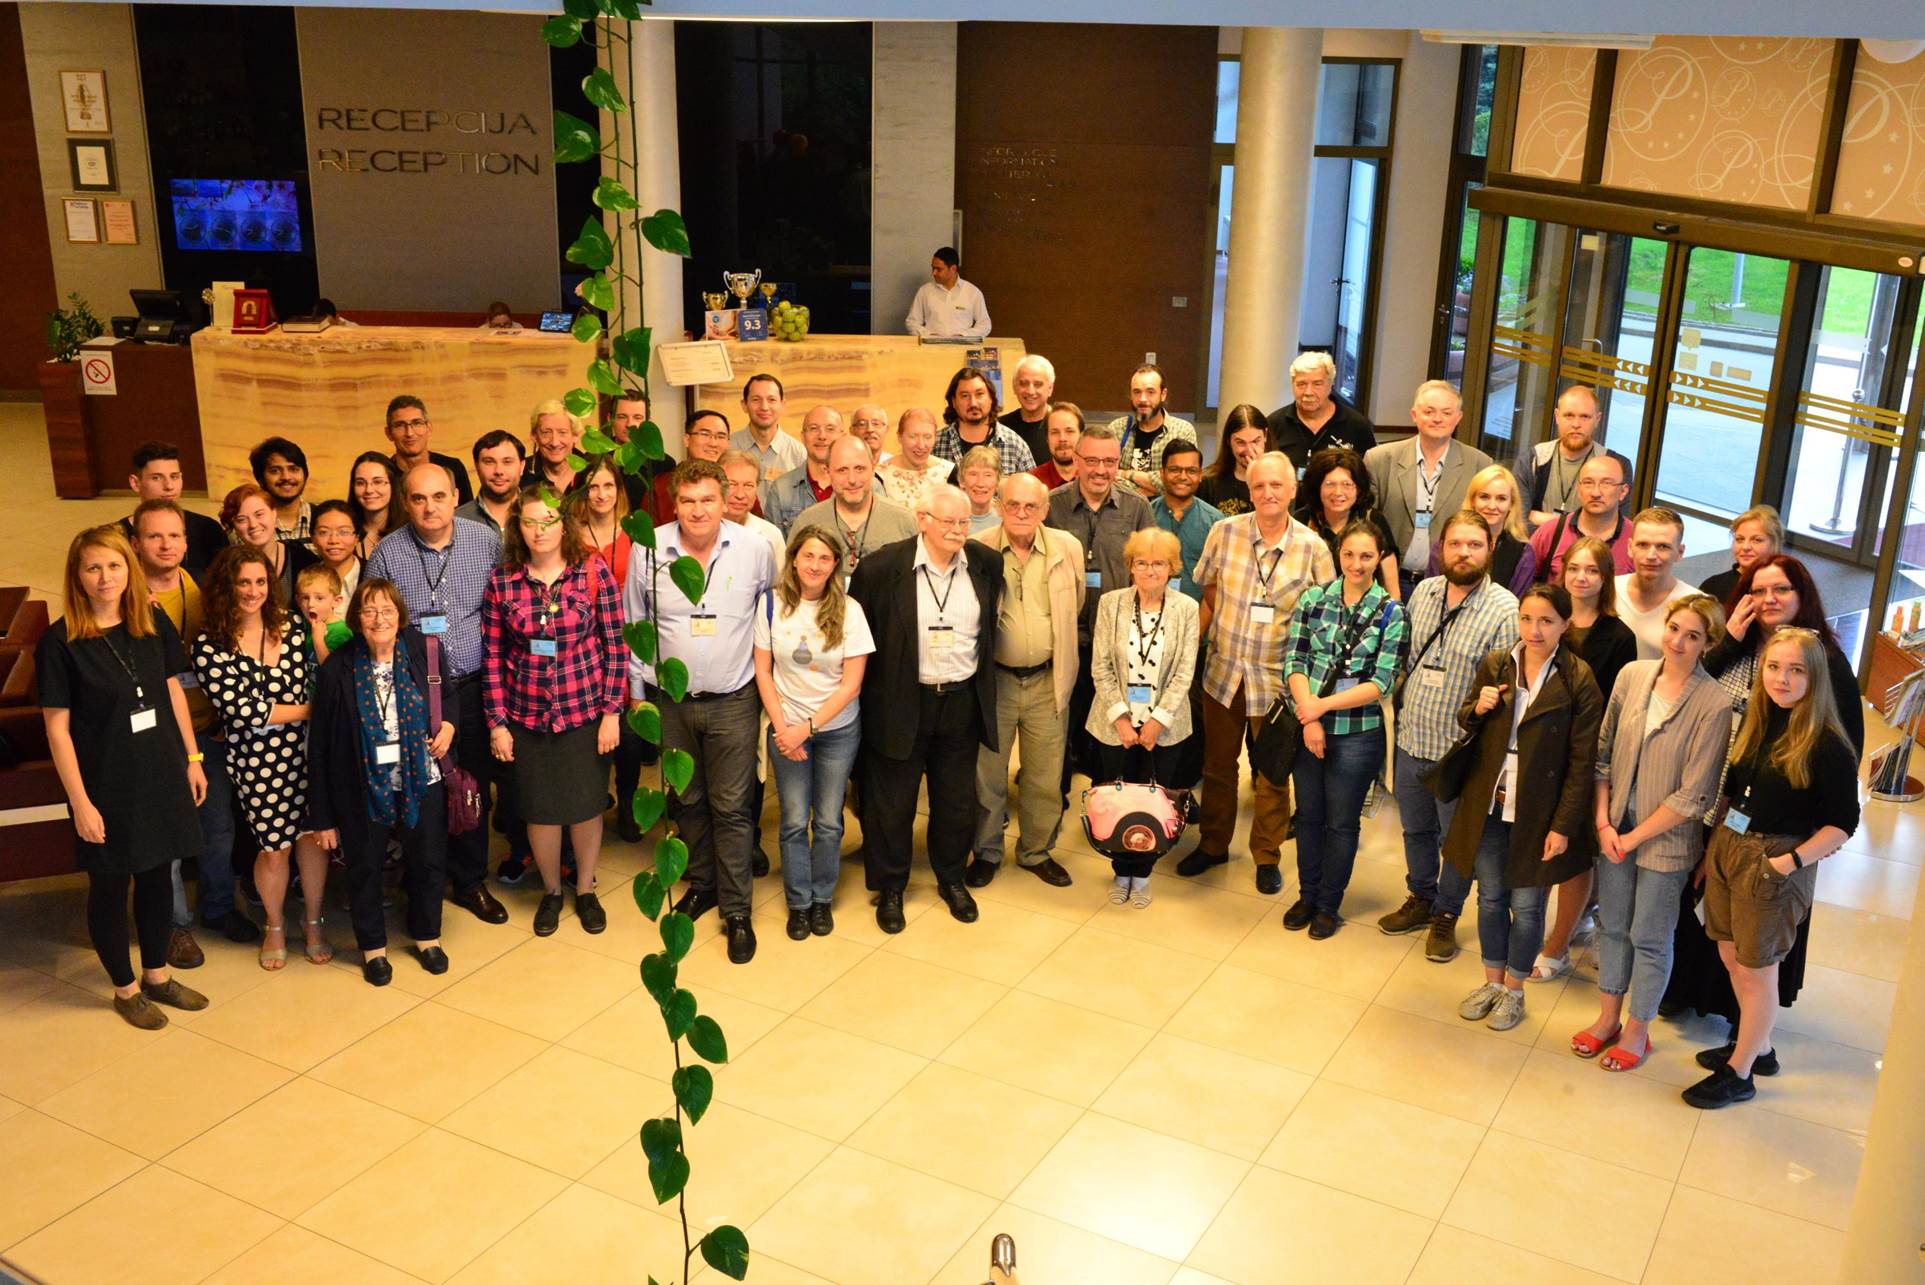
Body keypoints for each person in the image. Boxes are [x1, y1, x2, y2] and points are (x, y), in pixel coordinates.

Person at [1664, 553, 1862, 1029]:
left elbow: (1845, 747)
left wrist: (1812, 842)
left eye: (1781, 590)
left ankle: (1749, 1031)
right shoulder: (1741, 643)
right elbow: (1691, 685)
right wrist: (1729, 638)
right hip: (1726, 809)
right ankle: (1696, 995)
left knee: (1759, 943)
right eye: (1758, 590)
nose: (1769, 599)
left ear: (1803, 596)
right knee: (1711, 912)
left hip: (1784, 830)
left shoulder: (1825, 660)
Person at [37, 526, 209, 1028]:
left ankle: (157, 975)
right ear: (77, 576)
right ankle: (126, 988)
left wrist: (192, 759)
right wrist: (81, 804)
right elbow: (57, 729)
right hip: (103, 785)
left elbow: (172, 690)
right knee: (110, 887)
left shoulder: (150, 619)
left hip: (158, 772)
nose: (105, 576)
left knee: (157, 875)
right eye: (93, 567)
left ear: (128, 570)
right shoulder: (61, 641)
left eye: (113, 565)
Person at [1684, 627, 1859, 1109]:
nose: (1781, 678)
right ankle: (1757, 1048)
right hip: (1729, 848)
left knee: (1757, 969)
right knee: (1728, 953)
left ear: (1814, 677)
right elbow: (1734, 790)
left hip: (1775, 862)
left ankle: (1739, 1074)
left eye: (1795, 670)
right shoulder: (1760, 722)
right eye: (1774, 667)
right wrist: (1712, 851)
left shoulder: (1827, 744)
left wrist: (1788, 863)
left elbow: (1844, 823)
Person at [625, 459, 776, 962]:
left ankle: (737, 911)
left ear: (726, 497)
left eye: (707, 499)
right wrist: (637, 695)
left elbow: (769, 616)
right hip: (671, 702)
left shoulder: (754, 549)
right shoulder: (648, 549)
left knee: (732, 808)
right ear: (673, 502)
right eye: (687, 501)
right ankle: (704, 883)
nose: (697, 510)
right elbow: (636, 624)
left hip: (734, 699)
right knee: (687, 799)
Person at [1575, 595, 1731, 1070]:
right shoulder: (1632, 677)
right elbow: (1601, 755)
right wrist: (1603, 821)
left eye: (1693, 636)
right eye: (1674, 629)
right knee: (1613, 926)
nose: (1678, 642)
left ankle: (1638, 1030)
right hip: (1614, 829)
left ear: (1709, 643)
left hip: (1664, 841)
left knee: (1649, 936)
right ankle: (1607, 1020)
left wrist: (1634, 835)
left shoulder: (1714, 702)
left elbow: (1695, 794)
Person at [1445, 584, 1602, 1033]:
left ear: (1565, 625)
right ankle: (1492, 983)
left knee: (1529, 906)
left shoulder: (1577, 678)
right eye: (1527, 619)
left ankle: (1515, 989)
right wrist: (1478, 707)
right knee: (1491, 896)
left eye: (1547, 621)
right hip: (1491, 801)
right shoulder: (1498, 663)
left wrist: (1563, 825)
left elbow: (1581, 760)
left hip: (1539, 810)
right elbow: (1467, 719)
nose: (1534, 630)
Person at [850, 484, 1002, 933]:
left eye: (964, 522)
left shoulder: (985, 565)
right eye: (948, 521)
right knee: (891, 804)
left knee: (955, 803)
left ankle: (952, 878)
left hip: (960, 701)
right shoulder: (881, 568)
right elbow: (860, 639)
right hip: (900, 701)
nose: (958, 530)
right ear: (923, 520)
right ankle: (891, 887)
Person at [365, 462, 511, 925]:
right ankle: (423, 875)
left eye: (439, 497)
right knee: (420, 787)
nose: (429, 507)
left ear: (454, 497)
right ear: (405, 502)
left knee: (471, 785)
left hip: (470, 688)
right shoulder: (387, 554)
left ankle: (470, 880)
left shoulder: (485, 541)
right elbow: (371, 619)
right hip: (408, 696)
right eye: (418, 498)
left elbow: (504, 605)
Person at [1181, 453, 1333, 891]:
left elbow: (1322, 621)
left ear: (1292, 490)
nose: (1267, 493)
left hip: (1279, 683)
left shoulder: (1313, 548)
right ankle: (1212, 845)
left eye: (1276, 486)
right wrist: (1192, 645)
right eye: (1259, 486)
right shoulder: (1223, 533)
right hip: (1224, 673)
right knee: (1217, 767)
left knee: (1271, 775)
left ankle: (1266, 855)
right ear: (1249, 491)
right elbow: (1208, 589)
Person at [484, 487, 626, 938]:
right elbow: (492, 655)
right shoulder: (503, 581)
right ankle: (551, 891)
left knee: (585, 807)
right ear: (517, 529)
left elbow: (615, 645)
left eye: (548, 521)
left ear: (564, 524)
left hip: (585, 712)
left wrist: (611, 713)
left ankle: (584, 889)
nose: (539, 531)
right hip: (526, 716)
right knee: (540, 811)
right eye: (529, 522)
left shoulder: (591, 571)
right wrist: (498, 723)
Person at [1378, 510, 1519, 960]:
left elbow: (1506, 689)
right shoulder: (1423, 591)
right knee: (1414, 830)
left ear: (1490, 549)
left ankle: (1446, 914)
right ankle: (1420, 897)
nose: (1464, 552)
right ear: (1441, 548)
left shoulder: (1505, 610)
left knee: (1455, 841)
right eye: (1455, 543)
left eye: (1474, 545)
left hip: (1460, 752)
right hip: (1411, 738)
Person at [308, 579, 456, 985]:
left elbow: (450, 696)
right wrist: (322, 817)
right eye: (370, 611)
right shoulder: (338, 667)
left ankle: (428, 936)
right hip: (360, 786)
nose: (379, 619)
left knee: (427, 862)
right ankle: (373, 948)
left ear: (400, 615)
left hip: (421, 779)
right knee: (365, 868)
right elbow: (319, 745)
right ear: (357, 617)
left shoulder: (424, 651)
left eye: (387, 610)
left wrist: (449, 726)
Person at [193, 545, 332, 970]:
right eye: (243, 582)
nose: (253, 591)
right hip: (259, 761)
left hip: (311, 751)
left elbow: (322, 673)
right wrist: (314, 709)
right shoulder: (209, 645)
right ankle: (275, 924)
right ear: (226, 587)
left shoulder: (291, 623)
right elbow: (248, 713)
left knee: (312, 840)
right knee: (274, 848)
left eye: (260, 582)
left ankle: (312, 920)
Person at [131, 501, 255, 951]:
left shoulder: (205, 589)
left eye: (175, 536)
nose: (167, 545)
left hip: (209, 727)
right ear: (136, 543)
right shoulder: (126, 600)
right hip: (156, 736)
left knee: (218, 827)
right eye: (155, 537)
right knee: (165, 836)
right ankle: (172, 924)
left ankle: (218, 907)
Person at [1283, 521, 1408, 937]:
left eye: (1367, 556)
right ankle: (1307, 894)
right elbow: (1294, 662)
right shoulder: (1313, 600)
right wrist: (1311, 715)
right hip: (1309, 725)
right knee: (1308, 817)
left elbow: (1382, 681)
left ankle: (1328, 904)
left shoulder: (1391, 612)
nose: (1356, 563)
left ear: (1380, 558)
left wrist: (1320, 707)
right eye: (1349, 554)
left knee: (1341, 822)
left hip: (1358, 733)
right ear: (1339, 554)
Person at [1529, 535, 1641, 980]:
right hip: (1537, 752)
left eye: (1591, 570)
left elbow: (1613, 708)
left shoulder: (1619, 636)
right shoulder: (1547, 619)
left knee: (1573, 856)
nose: (1581, 577)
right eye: (1573, 568)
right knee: (1537, 847)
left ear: (1605, 577)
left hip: (1583, 755)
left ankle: (1556, 947)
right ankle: (1539, 930)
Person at [755, 525, 875, 939]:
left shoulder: (850, 610)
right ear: (794, 559)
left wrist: (806, 728)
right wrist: (785, 729)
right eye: (808, 556)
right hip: (785, 728)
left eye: (825, 558)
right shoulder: (770, 605)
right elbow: (763, 671)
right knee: (791, 820)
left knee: (827, 821)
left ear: (835, 566)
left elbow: (851, 684)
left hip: (836, 731)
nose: (815, 565)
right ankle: (798, 902)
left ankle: (822, 899)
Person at [967, 473, 1086, 890]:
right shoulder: (978, 549)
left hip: (1047, 682)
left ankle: (1036, 851)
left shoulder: (1066, 549)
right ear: (999, 505)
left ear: (1044, 510)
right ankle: (987, 852)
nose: (1021, 513)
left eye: (1030, 507)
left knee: (1044, 776)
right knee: (988, 776)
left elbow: (1077, 602)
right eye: (1013, 505)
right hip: (994, 683)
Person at [1085, 527, 1199, 907]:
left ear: (1172, 568)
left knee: (1154, 803)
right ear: (1130, 567)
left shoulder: (1187, 609)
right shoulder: (1111, 604)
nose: (1150, 570)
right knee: (1116, 801)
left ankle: (1144, 873)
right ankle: (1120, 869)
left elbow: (1185, 671)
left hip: (1163, 728)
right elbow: (1100, 665)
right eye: (1142, 563)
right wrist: (1120, 717)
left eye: (1159, 563)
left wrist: (1156, 721)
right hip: (1112, 723)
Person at [1047, 423, 1155, 796]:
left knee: (1113, 728)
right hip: (1065, 637)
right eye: (1091, 460)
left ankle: (1107, 799)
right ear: (1075, 461)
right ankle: (1054, 797)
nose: (1100, 470)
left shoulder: (1137, 508)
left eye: (1109, 461)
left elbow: (1151, 570)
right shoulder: (1052, 505)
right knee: (1060, 724)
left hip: (1116, 643)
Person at [1364, 381, 1493, 598]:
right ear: (1414, 415)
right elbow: (1366, 525)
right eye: (1429, 411)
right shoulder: (1379, 459)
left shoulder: (1479, 464)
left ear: (1458, 418)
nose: (1437, 419)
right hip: (1389, 581)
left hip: (1449, 584)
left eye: (1446, 412)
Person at [792, 437, 919, 582]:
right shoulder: (807, 522)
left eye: (859, 469)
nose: (852, 479)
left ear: (873, 467)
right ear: (828, 471)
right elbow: (791, 582)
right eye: (842, 470)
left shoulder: (904, 521)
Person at [1295, 446, 1400, 597]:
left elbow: (1392, 588)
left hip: (1365, 611)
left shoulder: (1373, 520)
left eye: (1347, 485)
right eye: (1330, 484)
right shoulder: (1302, 520)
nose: (1338, 492)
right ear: (1317, 487)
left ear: (1358, 488)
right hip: (1313, 610)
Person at [1525, 385, 1633, 528]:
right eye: (1569, 415)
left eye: (1585, 417)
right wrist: (1581, 526)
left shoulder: (1617, 466)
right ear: (1557, 416)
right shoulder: (1534, 458)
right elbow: (1517, 521)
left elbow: (1612, 528)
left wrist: (1541, 518)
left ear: (1597, 419)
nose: (1576, 424)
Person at [1425, 464, 1538, 597]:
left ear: (1511, 504)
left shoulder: (1523, 553)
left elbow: (1517, 606)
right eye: (1484, 497)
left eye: (1501, 498)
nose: (1491, 506)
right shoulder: (1445, 543)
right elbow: (1431, 594)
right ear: (1472, 500)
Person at [122, 441, 226, 577]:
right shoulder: (118, 535)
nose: (169, 486)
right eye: (156, 478)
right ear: (135, 483)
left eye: (174, 477)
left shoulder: (208, 529)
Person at [1526, 454, 1634, 580]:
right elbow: (1522, 586)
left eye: (1606, 483)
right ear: (1579, 488)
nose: (1595, 493)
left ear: (1623, 492)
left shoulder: (1636, 539)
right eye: (1588, 483)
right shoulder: (1551, 533)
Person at [1269, 351, 1378, 471]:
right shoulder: (1274, 424)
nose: (1308, 392)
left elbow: (1369, 476)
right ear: (1292, 385)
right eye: (1301, 384)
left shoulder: (1357, 425)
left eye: (1317, 384)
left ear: (1331, 384)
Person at [1106, 364, 1199, 499]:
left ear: (1163, 394)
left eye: (1150, 392)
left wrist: (1126, 474)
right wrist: (1151, 489)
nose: (1143, 399)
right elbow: (1106, 476)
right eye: (1137, 392)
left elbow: (1180, 482)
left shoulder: (1182, 431)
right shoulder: (1116, 429)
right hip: (1124, 514)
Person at [1615, 508, 1698, 658]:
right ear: (1629, 548)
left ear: (1680, 552)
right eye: (1643, 545)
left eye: (1663, 547)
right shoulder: (1607, 590)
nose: (1651, 555)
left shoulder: (1695, 605)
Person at [1151, 439, 1223, 605]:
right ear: (1162, 473)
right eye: (1175, 470)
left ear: (1199, 476)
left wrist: (1196, 630)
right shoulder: (1146, 516)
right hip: (1150, 618)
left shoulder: (1217, 523)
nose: (1183, 477)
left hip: (1200, 621)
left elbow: (1217, 585)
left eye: (1191, 471)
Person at [221, 483, 318, 601]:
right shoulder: (227, 568)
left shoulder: (303, 559)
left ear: (274, 513)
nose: (253, 524)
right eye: (242, 519)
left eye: (259, 514)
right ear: (234, 527)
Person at [933, 368, 1035, 474]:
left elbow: (1033, 489)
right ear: (953, 401)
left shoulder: (1015, 445)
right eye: (965, 396)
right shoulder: (935, 445)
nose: (973, 403)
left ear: (991, 397)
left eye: (979, 394)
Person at [764, 405, 845, 534]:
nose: (822, 436)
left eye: (830, 429)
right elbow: (774, 548)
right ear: (802, 436)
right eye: (814, 429)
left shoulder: (863, 486)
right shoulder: (781, 489)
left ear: (842, 436)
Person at [384, 395, 475, 506]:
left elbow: (468, 515)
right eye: (399, 425)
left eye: (417, 423)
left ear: (429, 427)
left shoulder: (453, 468)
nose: (409, 433)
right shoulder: (383, 476)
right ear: (389, 433)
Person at [653, 410, 734, 524]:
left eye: (721, 436)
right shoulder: (661, 486)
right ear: (687, 440)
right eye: (705, 434)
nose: (713, 443)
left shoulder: (739, 484)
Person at [1700, 504, 1783, 608]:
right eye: (1740, 539)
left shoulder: (1787, 587)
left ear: (1775, 544)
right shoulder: (1713, 586)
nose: (1746, 547)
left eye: (1757, 540)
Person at [571, 453, 633, 588]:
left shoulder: (634, 531)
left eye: (608, 486)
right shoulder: (569, 534)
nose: (602, 495)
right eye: (593, 487)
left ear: (618, 489)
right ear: (582, 492)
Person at [1197, 404, 1270, 517]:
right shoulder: (1209, 482)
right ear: (1228, 441)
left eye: (1255, 441)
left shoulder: (1278, 481)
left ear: (1265, 435)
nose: (1249, 450)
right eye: (1240, 442)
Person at [731, 373, 806, 483]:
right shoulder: (729, 447)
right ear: (744, 405)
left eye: (772, 400)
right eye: (756, 399)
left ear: (782, 404)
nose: (764, 407)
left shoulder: (798, 453)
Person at [721, 449, 788, 570]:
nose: (740, 494)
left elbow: (781, 586)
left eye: (748, 485)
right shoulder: (701, 531)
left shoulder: (771, 535)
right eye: (732, 484)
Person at [906, 245, 991, 339]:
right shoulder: (925, 291)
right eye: (933, 268)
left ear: (953, 269)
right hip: (931, 349)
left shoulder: (972, 292)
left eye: (939, 269)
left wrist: (964, 336)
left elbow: (985, 324)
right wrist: (929, 336)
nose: (934, 273)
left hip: (962, 349)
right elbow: (912, 322)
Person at [879, 407, 954, 511]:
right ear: (900, 437)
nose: (921, 445)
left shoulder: (949, 472)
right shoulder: (880, 475)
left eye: (927, 437)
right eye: (913, 436)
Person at [456, 429, 527, 536]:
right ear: (477, 467)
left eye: (507, 462)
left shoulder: (541, 516)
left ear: (522, 466)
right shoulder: (456, 521)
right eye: (489, 462)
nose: (499, 471)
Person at [249, 436, 314, 545]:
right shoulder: (250, 527)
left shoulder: (323, 518)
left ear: (305, 474)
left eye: (293, 469)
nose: (286, 477)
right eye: (275, 471)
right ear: (260, 479)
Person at [348, 453, 405, 560]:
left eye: (377, 482)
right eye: (360, 483)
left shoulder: (410, 531)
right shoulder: (346, 532)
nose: (369, 490)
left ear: (393, 485)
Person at [1000, 354, 1055, 464]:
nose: (1030, 391)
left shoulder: (1062, 426)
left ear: (1050, 388)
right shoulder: (1001, 428)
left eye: (1037, 384)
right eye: (1023, 384)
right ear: (1014, 387)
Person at [295, 563, 351, 667]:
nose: (311, 604)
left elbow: (332, 670)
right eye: (305, 598)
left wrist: (318, 640)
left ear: (336, 601)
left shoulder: (341, 631)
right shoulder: (305, 624)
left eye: (319, 598)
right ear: (298, 601)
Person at [310, 500, 363, 606]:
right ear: (313, 539)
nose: (334, 540)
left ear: (356, 538)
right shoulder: (306, 576)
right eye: (324, 532)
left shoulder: (371, 572)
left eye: (343, 532)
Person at [525, 400, 581, 496]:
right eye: (546, 432)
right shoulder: (522, 474)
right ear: (534, 436)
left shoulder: (591, 470)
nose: (554, 443)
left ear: (575, 435)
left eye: (562, 432)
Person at [1031, 402, 1081, 491]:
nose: (1062, 438)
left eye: (1069, 431)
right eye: (1055, 432)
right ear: (1047, 439)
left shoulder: (1095, 478)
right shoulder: (1033, 482)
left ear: (1081, 436)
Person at [959, 446, 1003, 535]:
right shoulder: (949, 517)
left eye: (988, 475)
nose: (980, 483)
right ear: (962, 481)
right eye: (973, 474)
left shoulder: (1006, 518)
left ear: (998, 481)